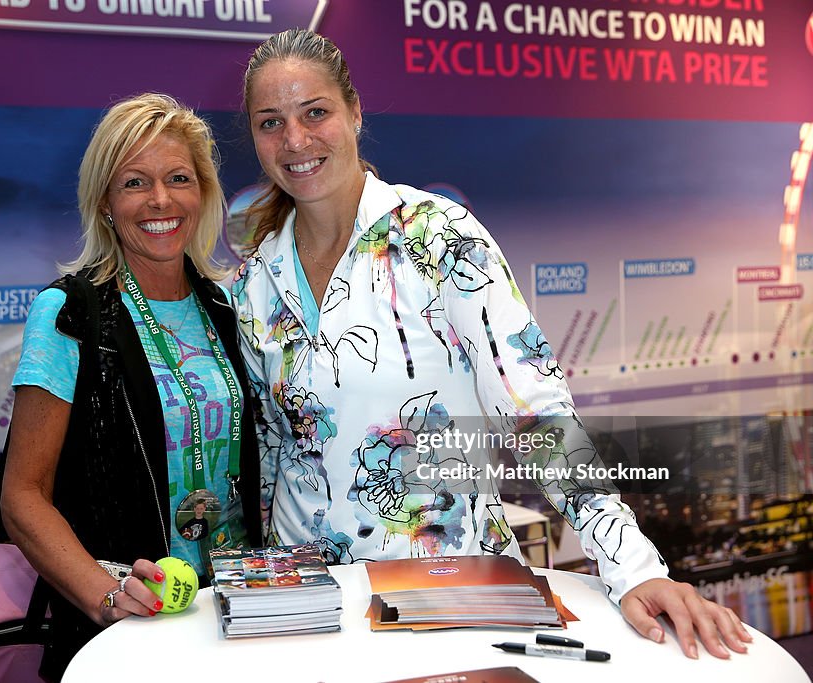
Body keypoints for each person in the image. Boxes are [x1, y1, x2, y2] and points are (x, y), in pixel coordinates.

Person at [230, 28, 752, 661]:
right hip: (312, 609)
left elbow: (532, 407)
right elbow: (275, 452)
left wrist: (634, 567)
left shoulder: (437, 238)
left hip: (445, 599)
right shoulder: (259, 278)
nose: (295, 141)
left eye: (315, 113)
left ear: (355, 112)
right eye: (270, 122)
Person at [0, 93, 261, 680]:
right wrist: (108, 599)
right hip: (132, 628)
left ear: (203, 194)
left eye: (178, 178)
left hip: (237, 616)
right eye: (135, 182)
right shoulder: (69, 313)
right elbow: (22, 496)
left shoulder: (226, 307)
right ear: (106, 203)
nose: (160, 200)